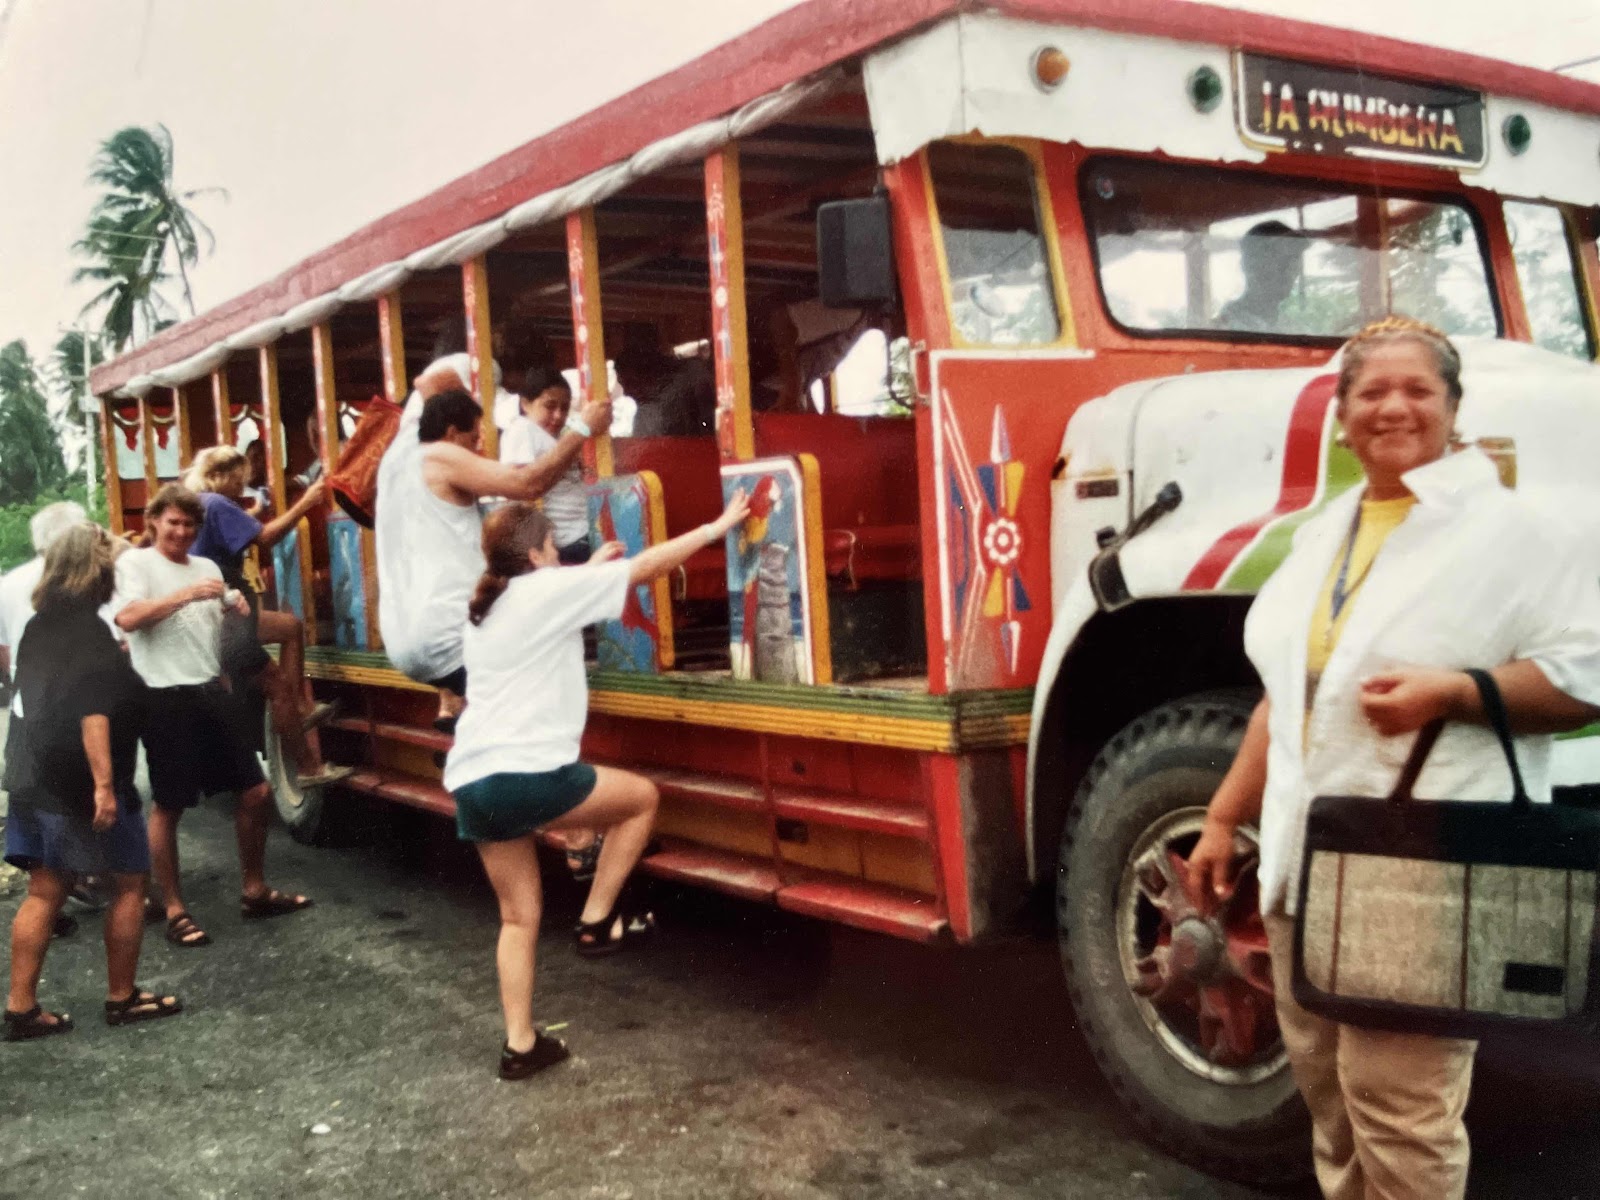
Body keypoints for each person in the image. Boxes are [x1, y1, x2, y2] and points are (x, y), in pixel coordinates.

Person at [1187, 316, 1600, 1200]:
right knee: (1330, 1101)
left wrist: (1456, 693)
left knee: (1401, 1110)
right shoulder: (1320, 536)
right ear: (1342, 418)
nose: (1395, 406)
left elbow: (1587, 680)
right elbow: (1285, 698)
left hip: (1423, 868)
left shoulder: (1520, 533)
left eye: (1419, 389)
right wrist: (1223, 818)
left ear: (1454, 409)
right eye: (1372, 391)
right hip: (1303, 866)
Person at [444, 486, 750, 1079]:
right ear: (535, 555)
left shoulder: (488, 606)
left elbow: (551, 599)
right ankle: (597, 919)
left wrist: (587, 572)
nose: (559, 554)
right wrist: (715, 527)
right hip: (529, 773)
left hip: (474, 782)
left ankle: (520, 1046)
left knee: (517, 919)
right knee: (640, 800)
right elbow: (648, 567)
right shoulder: (549, 589)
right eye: (553, 546)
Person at [114, 484, 314, 950]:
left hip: (210, 689)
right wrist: (185, 595)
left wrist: (236, 610)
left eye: (190, 525)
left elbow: (218, 624)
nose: (182, 532)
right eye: (173, 523)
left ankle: (254, 890)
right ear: (153, 521)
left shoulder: (206, 567)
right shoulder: (136, 564)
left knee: (256, 791)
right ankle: (175, 909)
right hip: (163, 696)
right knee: (170, 805)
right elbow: (129, 618)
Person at [4, 523, 183, 1041]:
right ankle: (122, 998)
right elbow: (92, 713)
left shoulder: (38, 625)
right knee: (129, 881)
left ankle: (20, 1009)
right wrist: (104, 786)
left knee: (45, 890)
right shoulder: (88, 631)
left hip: (31, 773)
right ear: (95, 571)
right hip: (79, 781)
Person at [374, 387, 609, 731]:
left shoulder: (393, 463)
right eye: (473, 439)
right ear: (451, 433)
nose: (475, 451)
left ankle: (466, 722)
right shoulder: (440, 455)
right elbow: (528, 484)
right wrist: (583, 428)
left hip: (403, 642)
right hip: (450, 638)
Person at [184, 445, 347, 788]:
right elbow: (266, 538)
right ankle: (308, 766)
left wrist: (255, 511)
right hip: (228, 617)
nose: (240, 487)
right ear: (220, 476)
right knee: (278, 688)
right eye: (237, 480)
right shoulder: (217, 503)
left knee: (290, 627)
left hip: (219, 614)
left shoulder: (199, 502)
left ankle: (300, 708)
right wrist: (306, 503)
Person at [0, 500, 98, 928]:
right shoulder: (82, 581)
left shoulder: (9, 583)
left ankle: (49, 894)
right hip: (76, 717)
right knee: (85, 801)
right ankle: (72, 884)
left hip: (27, 715)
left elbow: (4, 652)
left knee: (37, 811)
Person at [500, 368, 590, 564]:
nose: (558, 415)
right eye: (550, 406)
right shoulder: (522, 429)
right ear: (525, 404)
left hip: (579, 535)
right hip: (566, 543)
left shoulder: (553, 438)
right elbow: (520, 489)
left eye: (564, 408)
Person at [1215, 219, 1305, 333]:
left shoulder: (1293, 329)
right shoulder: (1220, 331)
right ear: (1250, 265)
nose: (1289, 270)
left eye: (1294, 258)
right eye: (1281, 259)